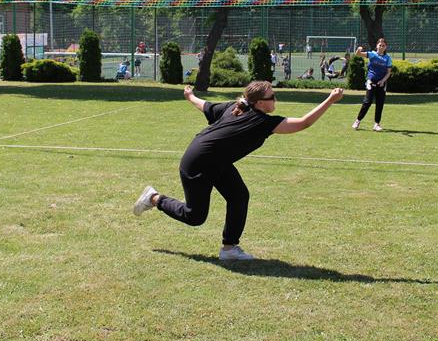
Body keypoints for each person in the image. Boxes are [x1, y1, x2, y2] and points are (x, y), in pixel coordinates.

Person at [133, 82, 345, 260]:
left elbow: (204, 105)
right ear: (259, 103)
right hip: (198, 163)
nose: (275, 99)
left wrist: (190, 96)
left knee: (239, 196)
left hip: (218, 162)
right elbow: (304, 123)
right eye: (272, 97)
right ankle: (154, 198)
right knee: (194, 216)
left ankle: (229, 249)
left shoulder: (237, 107)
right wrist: (330, 100)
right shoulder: (260, 121)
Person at [352, 38, 393, 131]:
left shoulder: (388, 58)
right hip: (371, 82)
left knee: (380, 104)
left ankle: (376, 124)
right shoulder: (372, 54)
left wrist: (382, 81)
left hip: (382, 84)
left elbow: (388, 72)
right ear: (376, 46)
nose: (381, 47)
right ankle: (357, 121)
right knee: (367, 102)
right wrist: (358, 50)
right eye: (380, 45)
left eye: (383, 45)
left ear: (386, 47)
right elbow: (358, 54)